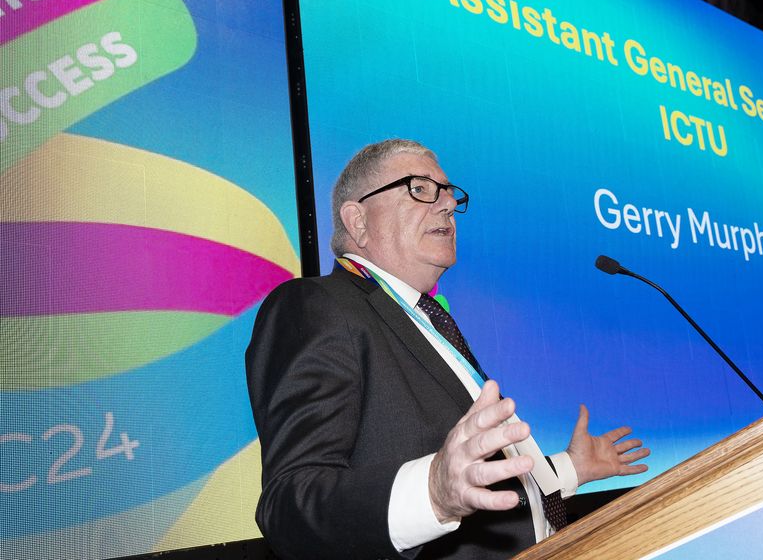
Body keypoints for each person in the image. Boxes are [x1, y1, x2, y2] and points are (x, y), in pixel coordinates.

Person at [246, 139, 650, 559]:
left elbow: (472, 479)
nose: (446, 206)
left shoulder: (427, 319)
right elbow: (288, 508)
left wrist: (570, 467)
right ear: (357, 220)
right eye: (420, 188)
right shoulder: (316, 306)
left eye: (449, 193)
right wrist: (433, 492)